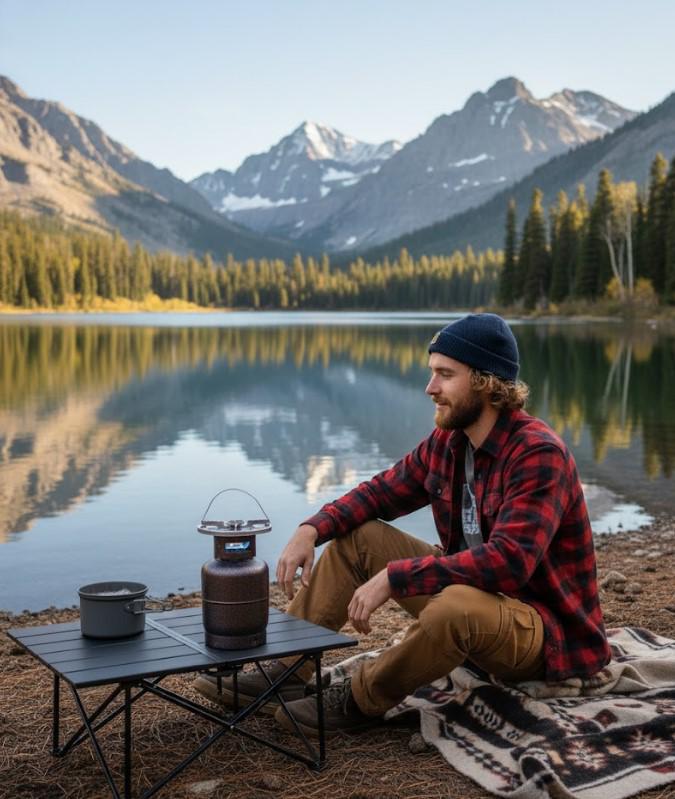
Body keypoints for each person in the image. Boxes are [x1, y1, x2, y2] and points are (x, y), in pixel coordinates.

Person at [195, 313, 611, 736]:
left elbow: (509, 562)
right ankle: (284, 672)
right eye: (432, 374)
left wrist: (397, 577)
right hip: (477, 608)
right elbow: (380, 493)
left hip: (542, 635)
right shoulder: (450, 442)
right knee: (357, 537)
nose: (431, 388)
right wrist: (312, 529)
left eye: (445, 375)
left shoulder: (537, 454)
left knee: (456, 606)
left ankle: (362, 698)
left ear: (487, 382)